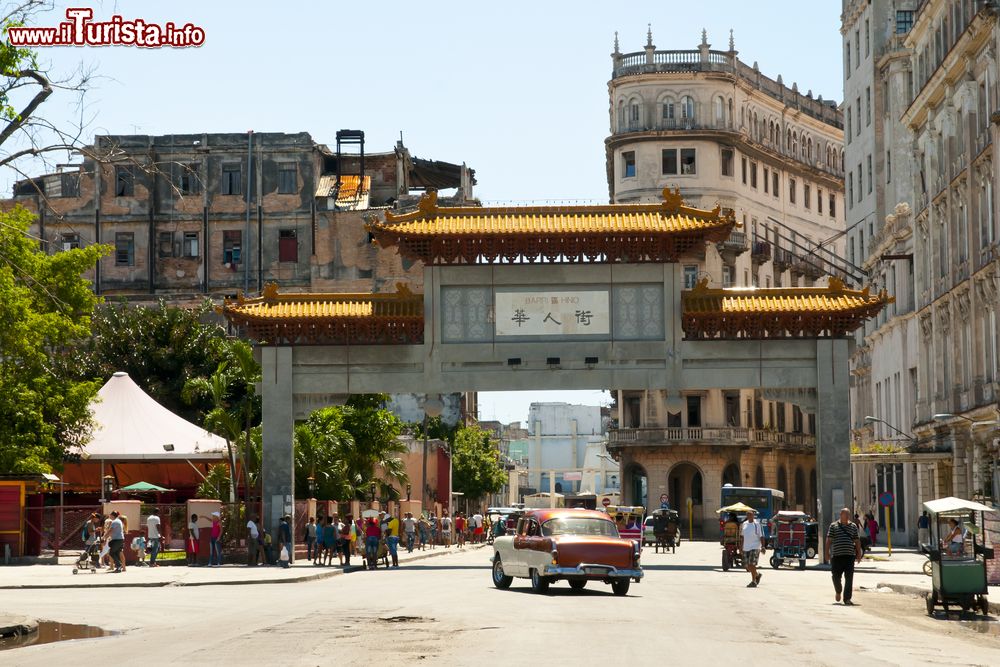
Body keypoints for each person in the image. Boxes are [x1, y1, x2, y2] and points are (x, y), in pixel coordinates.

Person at [825, 507, 863, 605]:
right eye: (845, 514)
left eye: (848, 515)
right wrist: (827, 552)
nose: (847, 516)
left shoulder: (853, 526)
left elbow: (857, 540)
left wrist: (859, 554)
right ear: (840, 515)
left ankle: (847, 599)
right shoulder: (833, 526)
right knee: (836, 577)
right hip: (837, 556)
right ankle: (838, 590)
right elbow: (829, 540)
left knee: (849, 578)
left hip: (849, 556)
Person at [739, 509, 764, 588]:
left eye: (751, 514)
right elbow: (742, 537)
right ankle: (757, 575)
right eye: (748, 515)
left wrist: (763, 546)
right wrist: (741, 547)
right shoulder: (744, 524)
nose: (749, 516)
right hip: (746, 547)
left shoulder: (757, 524)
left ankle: (753, 581)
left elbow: (761, 536)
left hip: (755, 546)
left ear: (753, 515)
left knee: (751, 564)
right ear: (747, 516)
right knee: (746, 566)